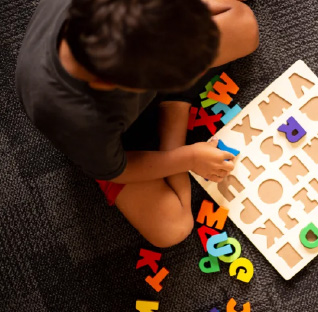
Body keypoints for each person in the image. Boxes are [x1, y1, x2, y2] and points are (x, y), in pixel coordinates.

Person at [15, 0, 259, 247]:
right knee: (172, 228)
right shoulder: (82, 122)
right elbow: (119, 169)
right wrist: (188, 158)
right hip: (111, 145)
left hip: (136, 50)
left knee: (245, 27)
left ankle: (175, 103)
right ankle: (176, 105)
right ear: (109, 85)